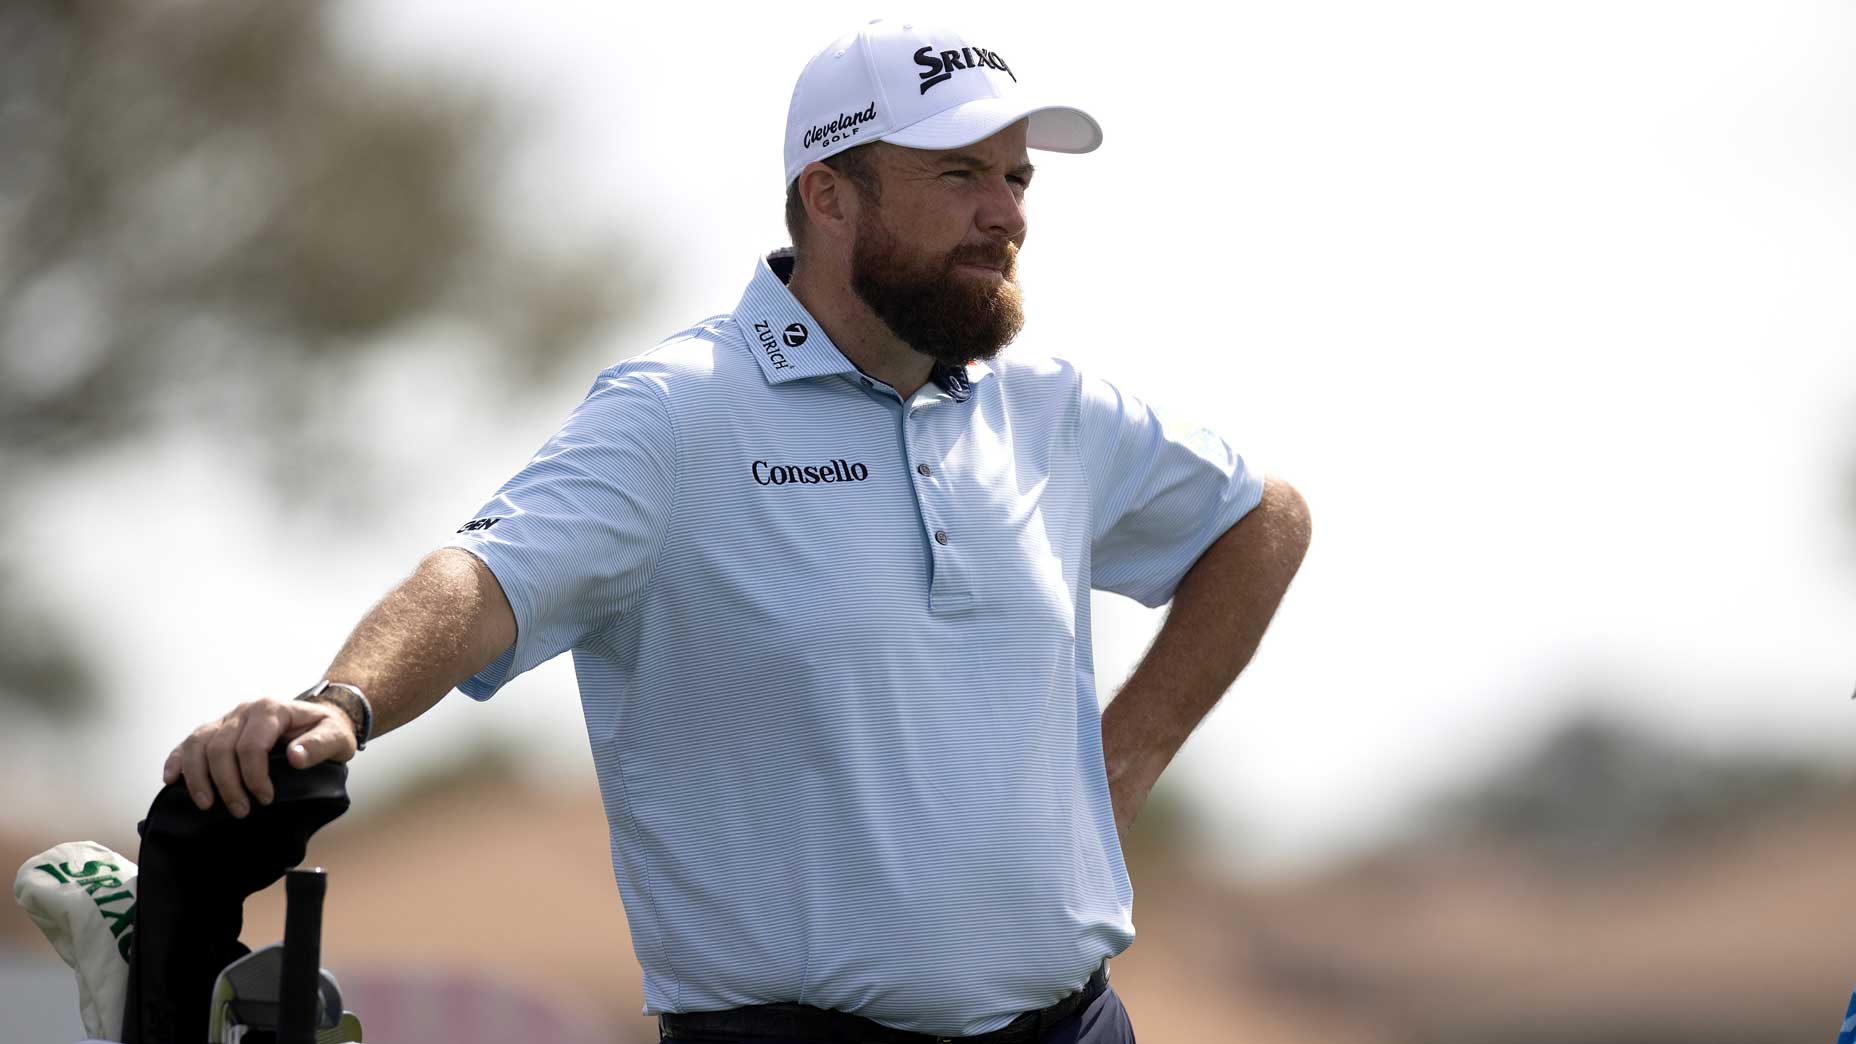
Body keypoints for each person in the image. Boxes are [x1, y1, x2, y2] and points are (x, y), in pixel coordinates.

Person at [161, 17, 1311, 1044]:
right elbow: (485, 577)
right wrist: (344, 702)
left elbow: (1260, 519)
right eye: (959, 172)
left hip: (1074, 1025)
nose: (1005, 211)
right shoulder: (676, 413)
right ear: (829, 195)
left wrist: (1127, 757)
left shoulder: (1052, 408)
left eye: (1014, 178)